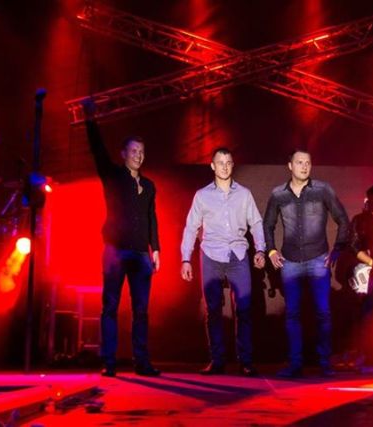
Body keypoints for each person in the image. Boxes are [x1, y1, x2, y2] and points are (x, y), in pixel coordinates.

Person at [82, 99, 161, 377]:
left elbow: (151, 217)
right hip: (115, 249)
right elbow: (97, 150)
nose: (138, 156)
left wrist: (156, 249)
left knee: (141, 310)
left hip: (141, 253)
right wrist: (90, 119)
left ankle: (142, 362)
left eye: (142, 152)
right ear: (124, 153)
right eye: (134, 151)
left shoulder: (149, 185)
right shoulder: (113, 175)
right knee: (110, 307)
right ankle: (109, 362)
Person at [263, 149, 350, 378]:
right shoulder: (278, 194)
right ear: (290, 166)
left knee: (323, 313)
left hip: (318, 259)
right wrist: (271, 249)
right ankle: (295, 364)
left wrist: (338, 249)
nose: (304, 166)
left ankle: (325, 363)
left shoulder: (322, 190)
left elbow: (343, 219)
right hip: (290, 261)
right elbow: (268, 224)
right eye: (299, 162)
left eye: (308, 163)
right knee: (292, 314)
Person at [180, 147, 266, 377]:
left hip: (238, 254)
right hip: (211, 255)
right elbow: (191, 227)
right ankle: (217, 361)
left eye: (228, 162)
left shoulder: (244, 194)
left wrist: (260, 249)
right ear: (212, 166)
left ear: (232, 165)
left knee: (244, 310)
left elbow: (256, 223)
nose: (225, 167)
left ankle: (245, 362)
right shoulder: (202, 195)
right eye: (220, 162)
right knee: (213, 310)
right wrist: (186, 258)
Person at [334, 184, 373, 370]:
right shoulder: (360, 220)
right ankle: (363, 353)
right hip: (364, 272)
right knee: (364, 313)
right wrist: (371, 263)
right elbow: (354, 246)